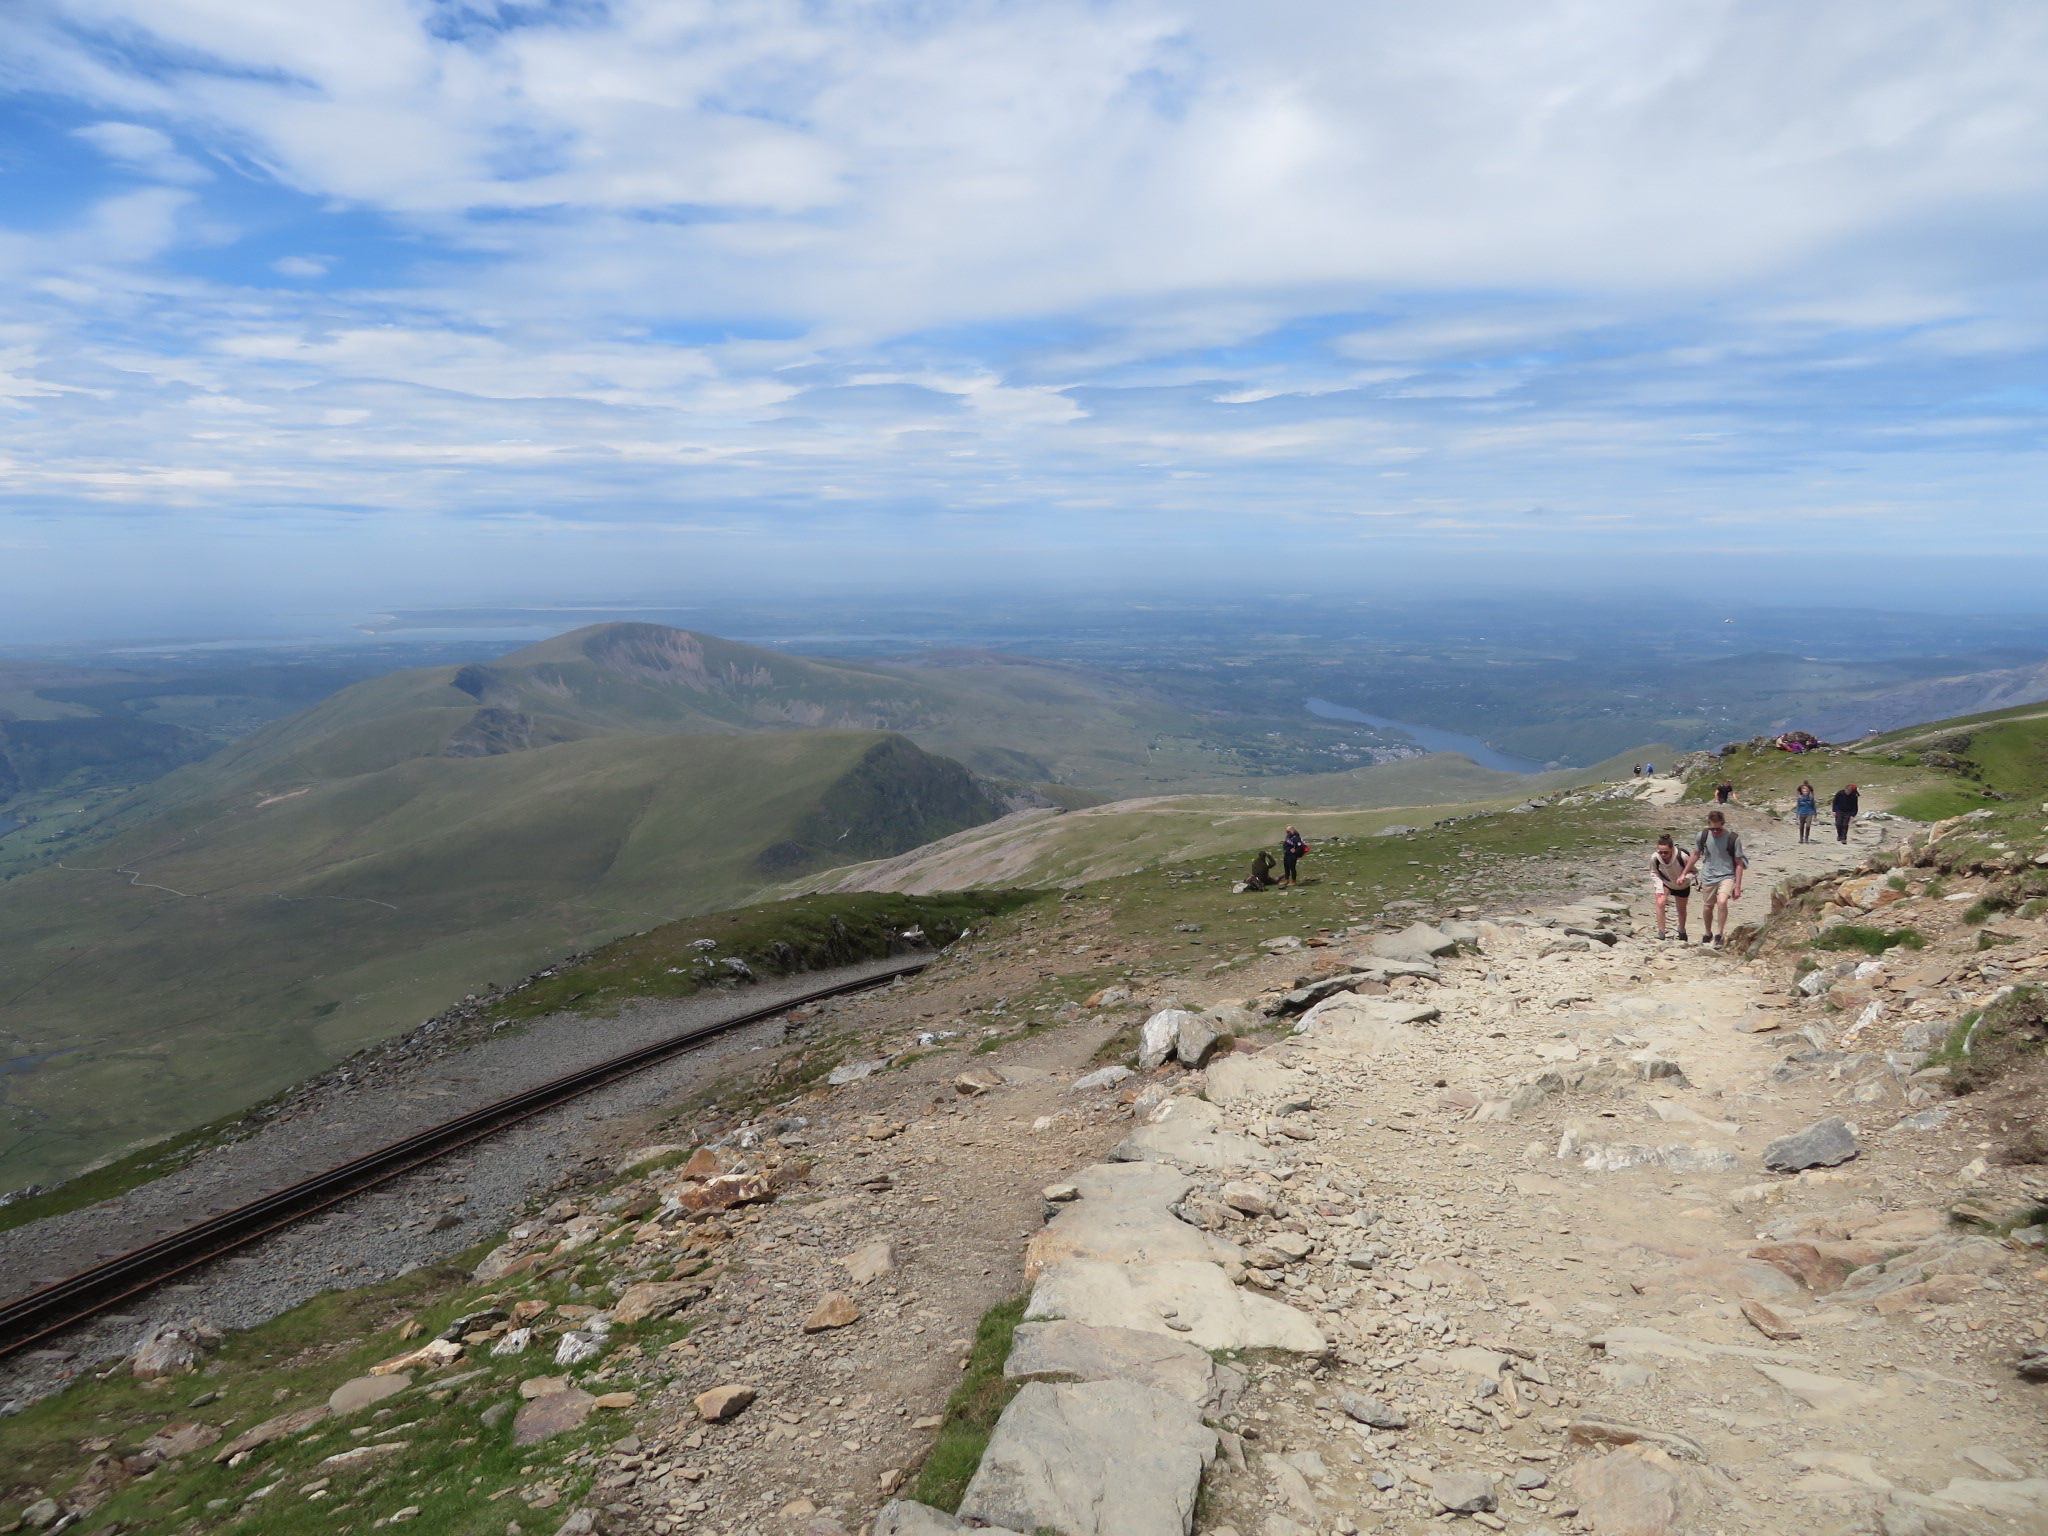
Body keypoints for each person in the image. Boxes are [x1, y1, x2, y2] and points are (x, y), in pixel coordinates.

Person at [1683, 809, 1747, 948]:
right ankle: (1708, 933)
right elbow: (1696, 854)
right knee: (1708, 908)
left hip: (1727, 875)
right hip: (1709, 875)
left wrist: (1737, 886)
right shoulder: (1703, 835)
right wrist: (1684, 873)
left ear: (1723, 824)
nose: (1715, 832)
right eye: (1712, 829)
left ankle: (1719, 934)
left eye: (1718, 829)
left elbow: (1739, 863)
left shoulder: (1733, 839)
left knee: (1722, 902)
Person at [1651, 833, 1693, 942]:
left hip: (1681, 884)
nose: (1663, 855)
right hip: (1666, 882)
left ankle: (1682, 930)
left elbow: (1694, 871)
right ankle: (1661, 932)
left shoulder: (1682, 856)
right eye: (1661, 852)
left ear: (1672, 849)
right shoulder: (1655, 857)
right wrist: (1659, 888)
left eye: (1666, 852)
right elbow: (1654, 873)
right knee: (1660, 903)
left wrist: (1685, 878)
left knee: (1681, 909)